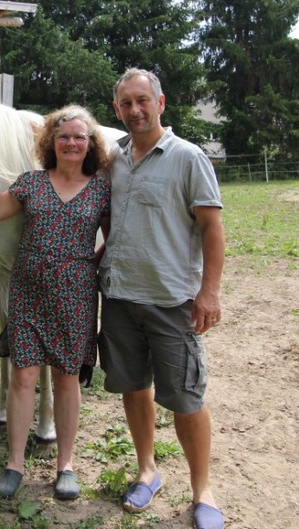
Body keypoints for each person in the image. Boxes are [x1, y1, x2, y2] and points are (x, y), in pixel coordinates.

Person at [0, 104, 111, 501]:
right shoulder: (30, 183)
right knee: (22, 377)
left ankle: (65, 465)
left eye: (79, 137)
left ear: (90, 144)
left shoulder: (101, 189)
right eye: (64, 136)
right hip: (28, 292)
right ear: (51, 141)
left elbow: (112, 236)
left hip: (76, 296)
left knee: (67, 381)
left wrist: (85, 264)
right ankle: (14, 464)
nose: (71, 142)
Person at [97, 69, 226, 529]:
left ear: (160, 102)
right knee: (134, 385)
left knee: (187, 398)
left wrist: (208, 292)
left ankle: (202, 489)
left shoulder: (188, 158)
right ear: (117, 110)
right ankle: (147, 470)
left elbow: (212, 228)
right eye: (126, 103)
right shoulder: (112, 159)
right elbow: (109, 216)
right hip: (118, 296)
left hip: (172, 300)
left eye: (142, 100)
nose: (135, 110)